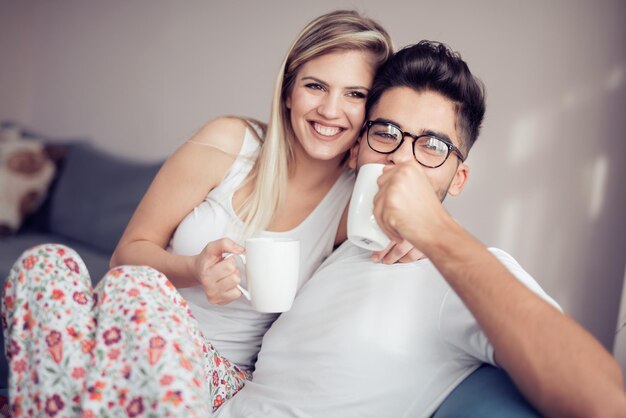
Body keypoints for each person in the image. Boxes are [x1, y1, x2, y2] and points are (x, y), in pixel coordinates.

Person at [1, 10, 403, 417]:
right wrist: (194, 269)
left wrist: (417, 240)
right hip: (119, 328)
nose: (331, 110)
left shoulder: (353, 201)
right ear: (288, 91)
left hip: (211, 370)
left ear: (371, 110)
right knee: (45, 264)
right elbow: (127, 254)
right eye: (316, 86)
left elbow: (415, 219)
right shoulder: (229, 141)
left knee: (135, 288)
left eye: (355, 94)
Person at [212, 41, 626, 418]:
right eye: (386, 133)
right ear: (357, 151)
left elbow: (604, 402)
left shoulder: (460, 273)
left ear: (458, 179)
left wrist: (435, 231)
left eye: (432, 146)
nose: (402, 160)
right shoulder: (333, 250)